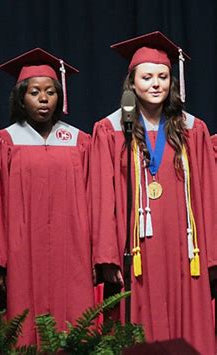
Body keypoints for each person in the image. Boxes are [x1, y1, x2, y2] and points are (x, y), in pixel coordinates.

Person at [90, 31, 217, 354]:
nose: (156, 84)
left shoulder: (193, 129)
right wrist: (107, 253)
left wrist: (212, 253)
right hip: (137, 249)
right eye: (147, 77)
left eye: (163, 76)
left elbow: (209, 194)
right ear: (132, 83)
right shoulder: (111, 130)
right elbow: (103, 198)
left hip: (185, 248)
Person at [0, 48, 94, 345]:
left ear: (60, 96)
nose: (43, 99)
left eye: (50, 92)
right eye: (34, 92)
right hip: (21, 254)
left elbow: (94, 203)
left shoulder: (80, 142)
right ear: (21, 97)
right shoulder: (3, 142)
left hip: (72, 254)